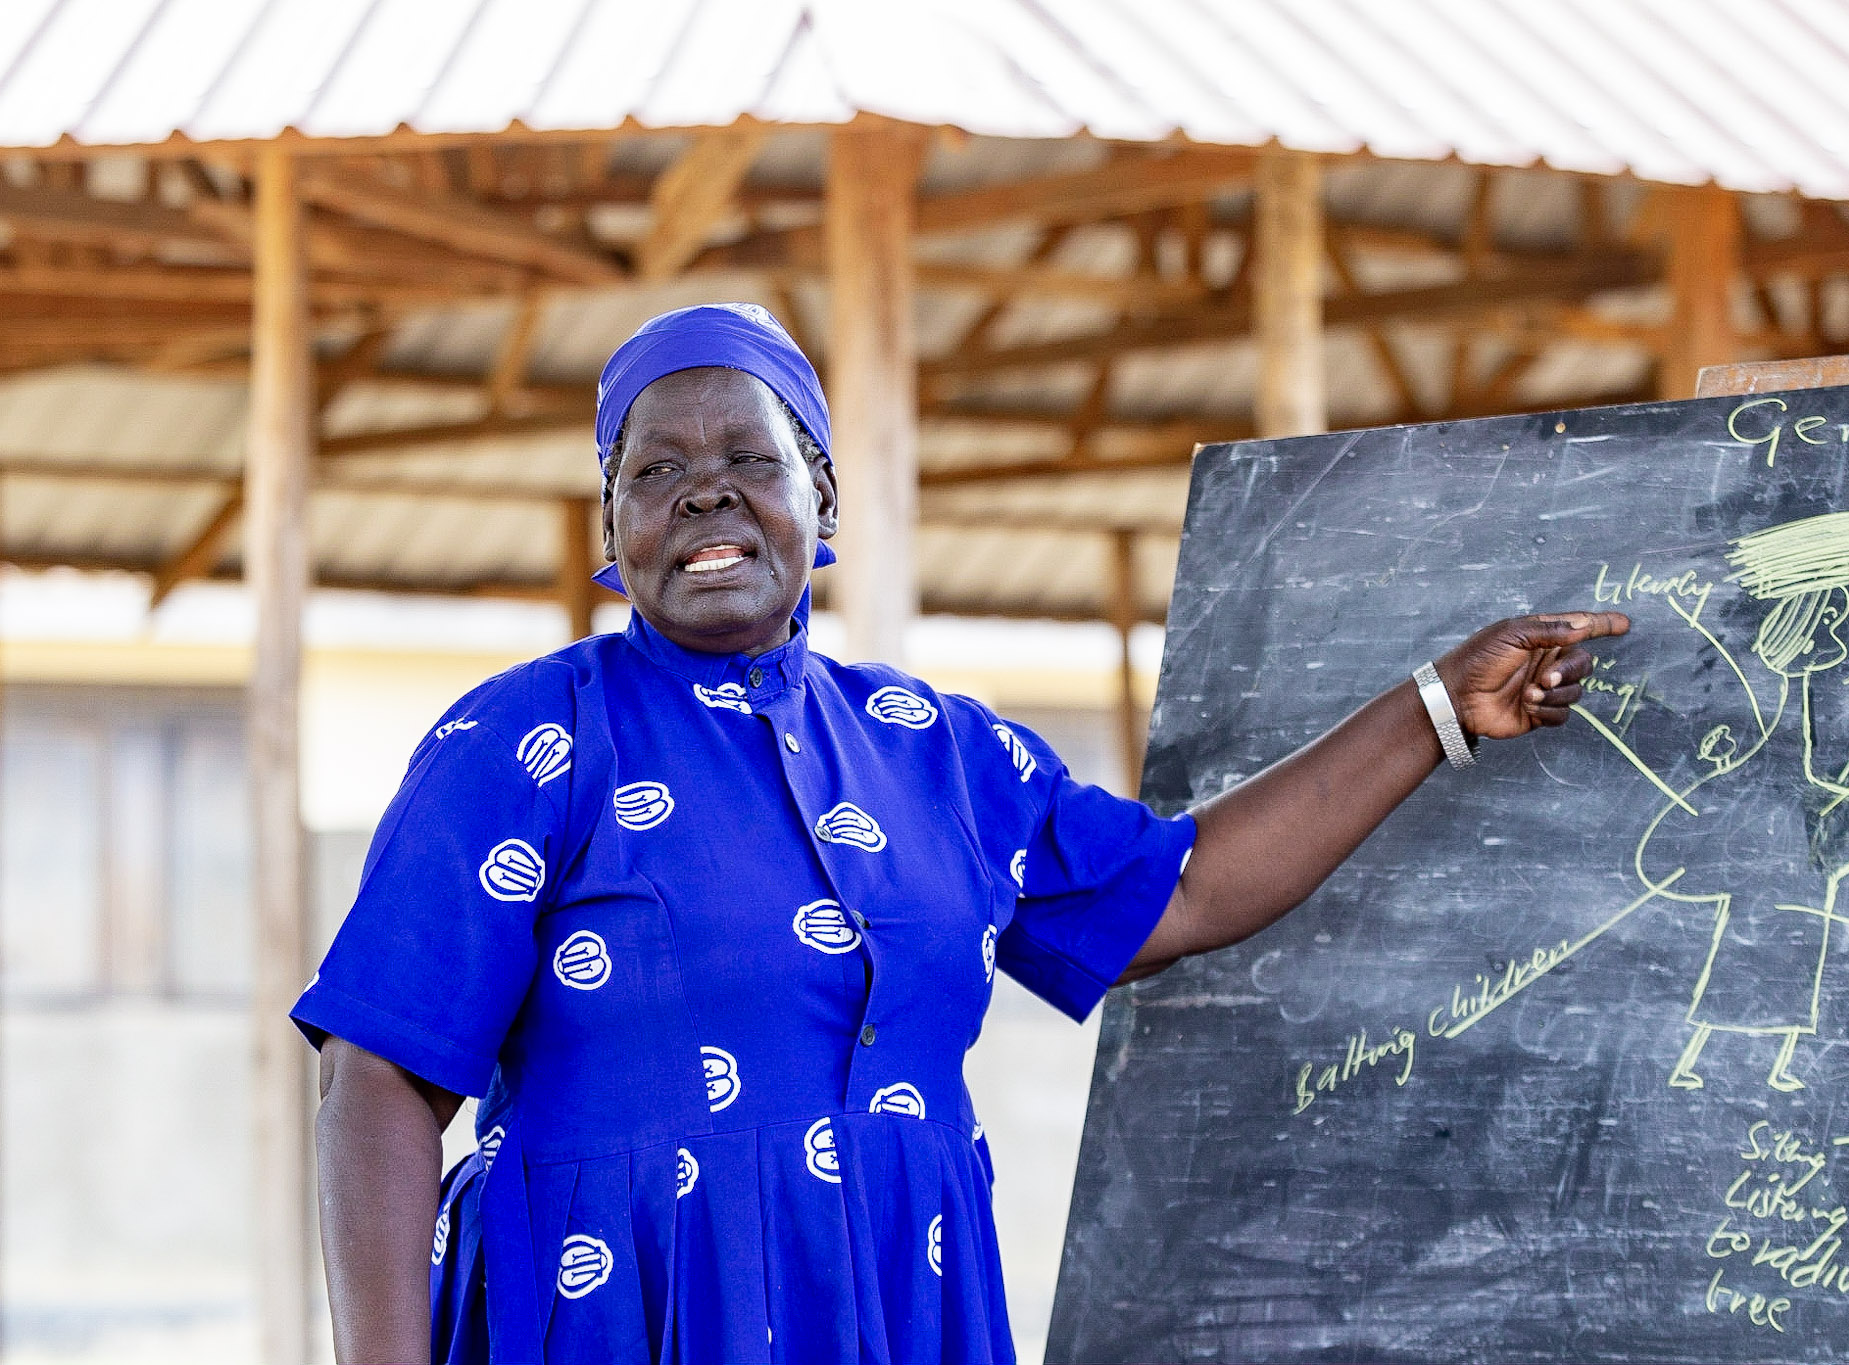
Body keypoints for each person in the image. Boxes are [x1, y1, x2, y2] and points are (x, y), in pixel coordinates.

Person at [294, 303, 1626, 1365]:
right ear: (612, 528)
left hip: (899, 1307)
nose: (706, 494)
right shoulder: (526, 742)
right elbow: (379, 1076)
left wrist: (1438, 707)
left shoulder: (935, 748)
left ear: (820, 501)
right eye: (659, 473)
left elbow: (1183, 888)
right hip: (613, 1319)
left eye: (749, 460)